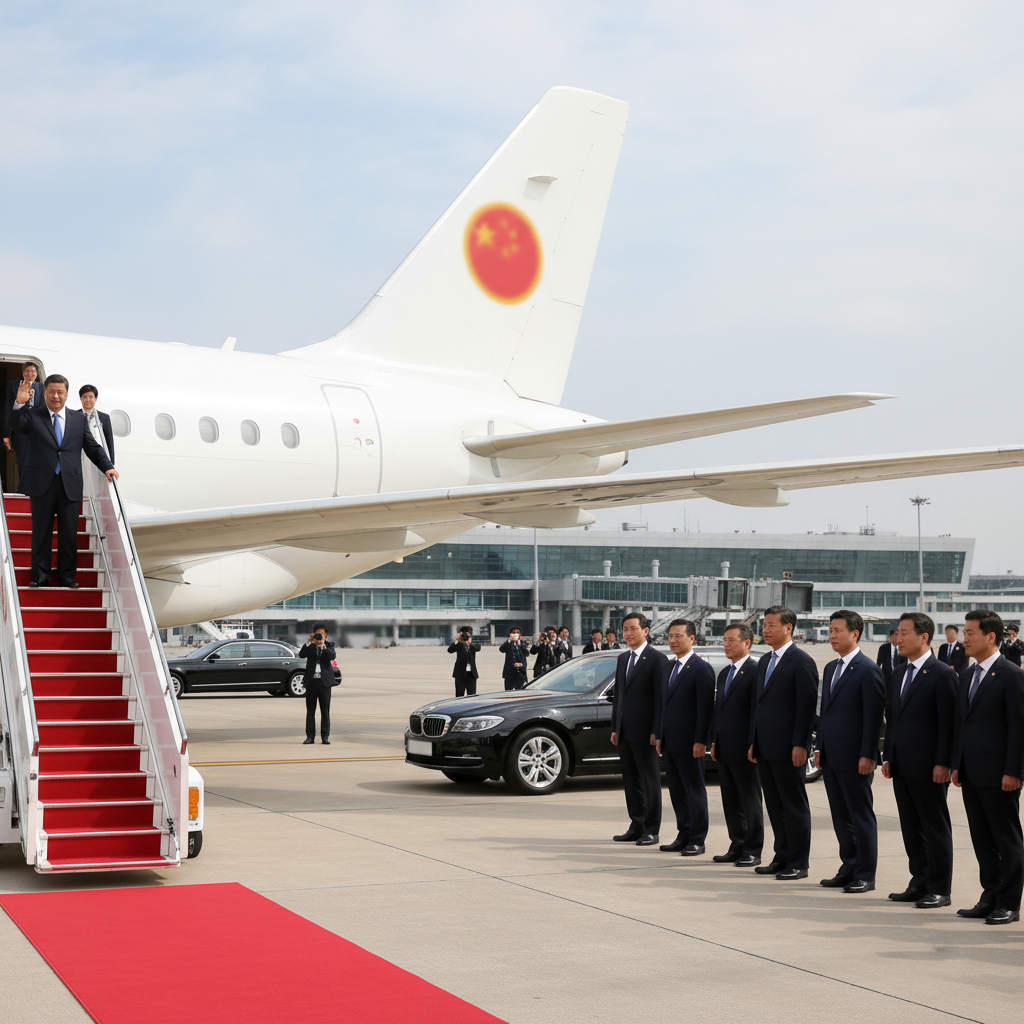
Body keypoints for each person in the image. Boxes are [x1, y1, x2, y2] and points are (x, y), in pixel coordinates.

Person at [10, 374, 117, 588]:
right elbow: (15, 425)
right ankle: (40, 577)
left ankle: (67, 577)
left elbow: (91, 446)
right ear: (45, 394)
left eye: (60, 392)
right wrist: (19, 404)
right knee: (42, 532)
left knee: (69, 534)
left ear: (67, 394)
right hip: (42, 483)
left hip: (70, 482)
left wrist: (107, 466)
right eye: (51, 392)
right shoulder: (33, 415)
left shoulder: (78, 419)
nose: (56, 396)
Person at [952, 610, 1024, 925]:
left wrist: (1015, 771)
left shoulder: (1011, 674)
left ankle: (1009, 902)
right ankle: (989, 895)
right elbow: (962, 726)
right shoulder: (967, 675)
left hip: (1000, 774)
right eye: (964, 632)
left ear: (990, 636)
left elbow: (1019, 728)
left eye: (970, 633)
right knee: (982, 839)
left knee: (1006, 840)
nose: (964, 638)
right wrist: (957, 763)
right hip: (971, 772)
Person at [881, 612, 957, 909]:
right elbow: (894, 721)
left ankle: (940, 888)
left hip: (930, 767)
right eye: (897, 633)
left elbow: (949, 724)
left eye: (904, 633)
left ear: (923, 637)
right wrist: (888, 755)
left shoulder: (942, 673)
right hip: (901, 763)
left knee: (934, 828)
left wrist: (944, 762)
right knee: (912, 828)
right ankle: (919, 881)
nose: (898, 639)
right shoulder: (899, 672)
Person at [814, 610, 886, 893]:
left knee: (860, 816)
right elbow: (826, 713)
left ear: (855, 634)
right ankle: (849, 865)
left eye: (838, 631)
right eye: (830, 630)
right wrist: (819, 747)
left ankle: (866, 873)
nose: (832, 636)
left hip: (857, 757)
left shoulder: (868, 670)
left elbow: (873, 718)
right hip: (831, 754)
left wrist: (868, 754)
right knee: (840, 816)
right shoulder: (832, 667)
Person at [747, 606, 818, 880]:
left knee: (793, 805)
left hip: (790, 748)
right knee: (775, 805)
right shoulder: (764, 661)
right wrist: (754, 741)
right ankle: (782, 855)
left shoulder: (801, 661)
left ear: (788, 628)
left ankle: (799, 862)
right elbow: (759, 706)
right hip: (765, 746)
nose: (765, 630)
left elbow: (806, 707)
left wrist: (801, 744)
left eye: (771, 625)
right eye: (764, 625)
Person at [656, 619, 715, 856]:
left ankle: (698, 839)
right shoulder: (668, 667)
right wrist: (660, 735)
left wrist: (701, 740)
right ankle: (684, 833)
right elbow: (664, 706)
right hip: (670, 741)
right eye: (670, 636)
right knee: (677, 791)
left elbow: (705, 709)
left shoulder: (701, 669)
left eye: (678, 636)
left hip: (691, 743)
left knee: (694, 791)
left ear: (692, 639)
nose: (672, 640)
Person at [610, 613, 668, 846]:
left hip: (647, 733)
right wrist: (615, 726)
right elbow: (619, 697)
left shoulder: (657, 659)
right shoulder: (623, 658)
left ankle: (651, 829)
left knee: (649, 781)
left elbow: (660, 699)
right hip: (625, 731)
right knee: (631, 780)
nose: (628, 633)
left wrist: (657, 730)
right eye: (625, 629)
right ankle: (636, 825)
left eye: (633, 628)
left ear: (646, 631)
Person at [710, 624, 763, 866]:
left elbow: (756, 712)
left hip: (745, 748)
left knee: (749, 800)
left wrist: (753, 742)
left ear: (747, 643)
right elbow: (718, 711)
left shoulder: (755, 671)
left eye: (732, 640)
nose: (726, 644)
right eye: (725, 640)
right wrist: (714, 740)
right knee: (730, 800)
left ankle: (753, 849)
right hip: (724, 747)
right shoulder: (725, 673)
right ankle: (737, 843)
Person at [4, 361, 43, 480]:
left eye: (33, 371)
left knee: (37, 458)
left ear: (37, 373)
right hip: (19, 427)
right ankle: (24, 488)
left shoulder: (42, 387)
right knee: (22, 458)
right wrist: (6, 434)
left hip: (36, 429)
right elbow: (8, 408)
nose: (30, 373)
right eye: (27, 371)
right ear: (23, 372)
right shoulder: (14, 384)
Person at [299, 624, 337, 745]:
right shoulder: (310, 646)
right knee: (310, 711)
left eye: (322, 633)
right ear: (313, 634)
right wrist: (309, 642)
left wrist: (322, 647)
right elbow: (301, 655)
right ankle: (310, 737)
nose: (320, 635)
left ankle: (325, 736)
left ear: (326, 635)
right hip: (311, 682)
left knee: (325, 711)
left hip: (324, 683)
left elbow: (331, 657)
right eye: (317, 633)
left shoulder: (329, 645)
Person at [78, 385, 115, 461]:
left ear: (96, 398)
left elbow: (109, 440)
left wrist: (111, 462)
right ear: (81, 399)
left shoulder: (104, 417)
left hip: (99, 456)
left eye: (91, 397)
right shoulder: (74, 416)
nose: (88, 400)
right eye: (85, 397)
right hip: (81, 456)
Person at [447, 627, 480, 697]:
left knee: (472, 696)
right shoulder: (459, 644)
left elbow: (478, 648)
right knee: (459, 695)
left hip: (471, 674)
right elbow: (450, 650)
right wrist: (457, 641)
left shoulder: (473, 643)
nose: (466, 637)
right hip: (460, 674)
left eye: (468, 634)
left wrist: (469, 644)